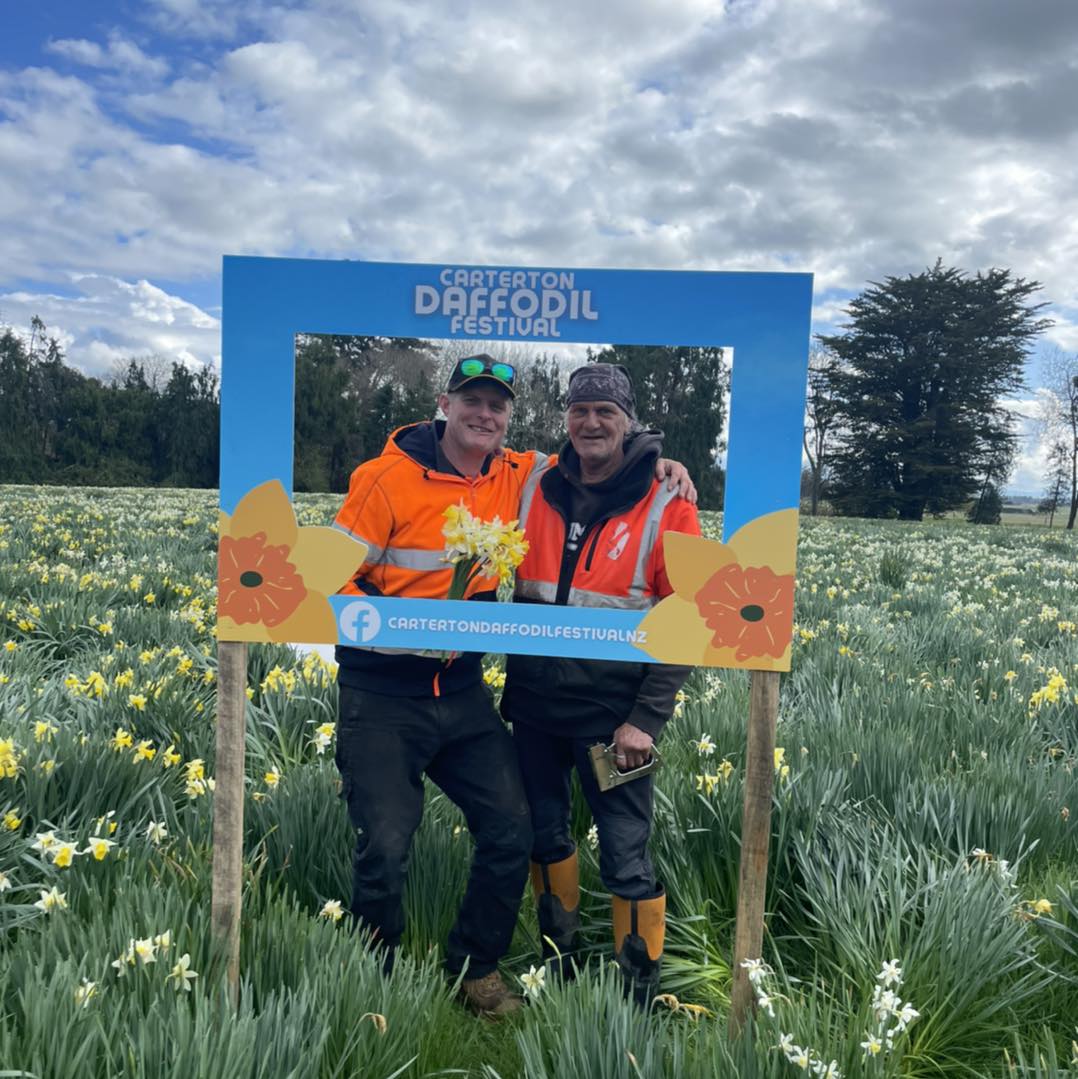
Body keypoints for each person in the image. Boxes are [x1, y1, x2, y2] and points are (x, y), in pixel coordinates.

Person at [331, 354, 694, 1017]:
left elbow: (687, 601)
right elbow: (329, 574)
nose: (485, 414)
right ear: (444, 403)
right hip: (409, 695)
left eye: (498, 406)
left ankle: (521, 975)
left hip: (532, 703)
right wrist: (397, 627)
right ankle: (374, 983)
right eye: (473, 400)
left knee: (562, 839)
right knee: (395, 843)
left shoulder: (541, 478)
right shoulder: (410, 479)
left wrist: (665, 463)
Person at [500, 362, 701, 1008]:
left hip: (615, 720)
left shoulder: (669, 501)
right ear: (566, 417)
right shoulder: (536, 481)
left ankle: (637, 999)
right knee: (545, 837)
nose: (591, 422)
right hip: (535, 707)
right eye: (580, 409)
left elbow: (689, 613)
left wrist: (647, 718)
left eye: (605, 412)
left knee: (624, 853)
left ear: (629, 420)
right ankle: (556, 968)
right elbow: (467, 441)